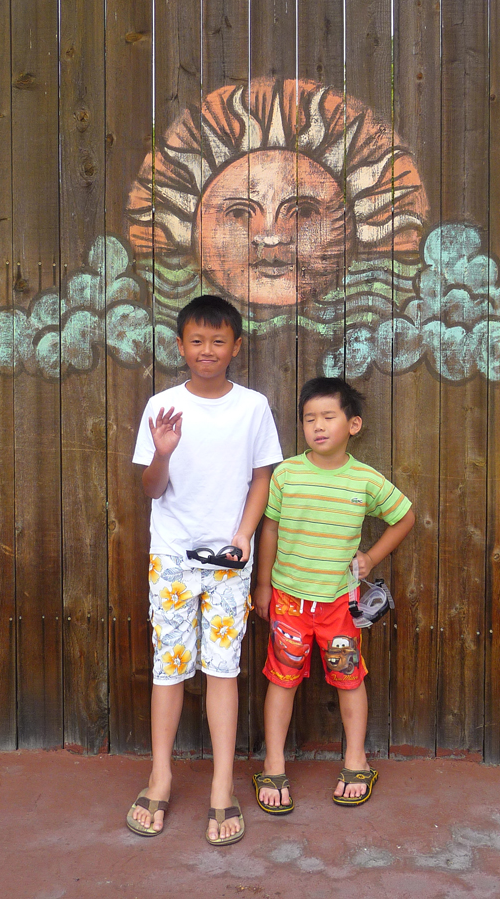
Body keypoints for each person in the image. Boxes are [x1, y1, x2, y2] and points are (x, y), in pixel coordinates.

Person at [127, 295, 283, 845]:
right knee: (168, 668)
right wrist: (163, 452)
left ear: (236, 347)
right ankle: (160, 775)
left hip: (228, 562)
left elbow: (263, 478)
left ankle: (222, 786)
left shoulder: (253, 407)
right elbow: (150, 488)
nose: (207, 351)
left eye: (219, 342)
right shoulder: (162, 406)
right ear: (180, 346)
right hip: (171, 557)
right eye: (197, 341)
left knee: (223, 669)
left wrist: (243, 535)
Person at [253, 377, 415, 813]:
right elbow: (268, 528)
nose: (318, 427)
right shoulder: (286, 474)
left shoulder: (364, 480)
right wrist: (263, 584)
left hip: (339, 607)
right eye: (309, 419)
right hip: (288, 601)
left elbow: (404, 516)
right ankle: (272, 764)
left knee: (349, 678)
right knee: (281, 680)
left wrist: (372, 558)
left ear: (353, 424)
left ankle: (356, 761)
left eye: (328, 417)